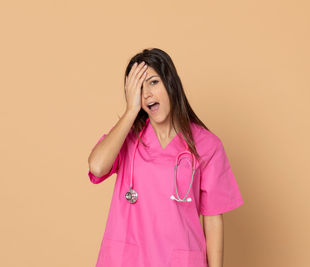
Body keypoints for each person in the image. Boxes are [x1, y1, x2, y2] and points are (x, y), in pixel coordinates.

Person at [87, 48, 244, 267]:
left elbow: (213, 218)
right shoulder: (126, 138)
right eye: (139, 89)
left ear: (170, 82)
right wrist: (130, 111)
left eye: (153, 82)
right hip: (127, 260)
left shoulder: (207, 145)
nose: (147, 94)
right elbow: (97, 166)